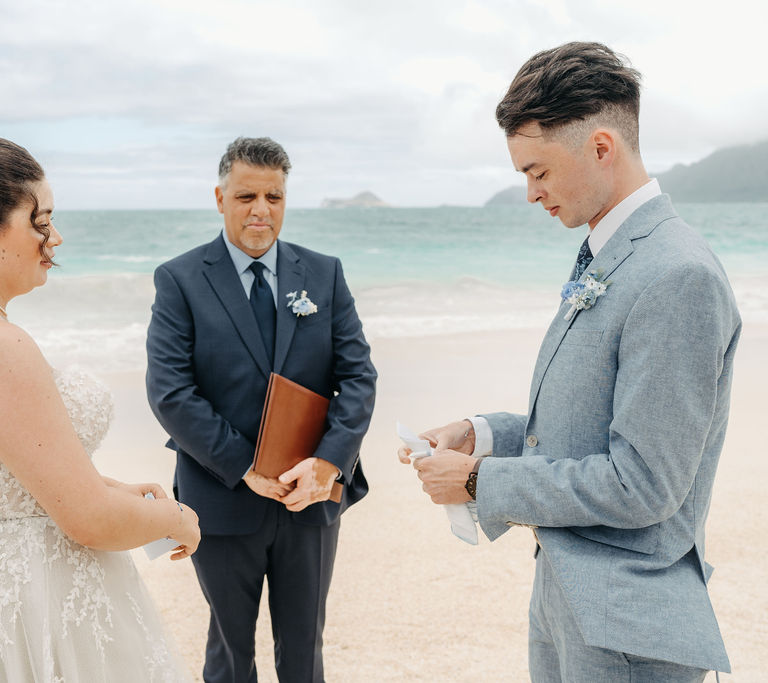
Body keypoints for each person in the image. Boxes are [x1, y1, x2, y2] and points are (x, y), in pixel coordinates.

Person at [403, 42, 739, 681]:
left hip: (629, 629)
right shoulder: (611, 251)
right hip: (568, 599)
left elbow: (642, 483)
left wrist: (480, 481)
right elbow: (595, 419)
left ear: (602, 148)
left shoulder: (678, 275)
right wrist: (486, 434)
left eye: (539, 171)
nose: (531, 193)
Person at [0, 119, 198, 682]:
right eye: (39, 221)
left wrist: (111, 486)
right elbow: (89, 522)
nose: (56, 238)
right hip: (36, 593)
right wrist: (174, 518)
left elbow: (1, 472)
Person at [145, 137, 376, 682]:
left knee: (304, 651)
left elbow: (358, 377)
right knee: (231, 654)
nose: (261, 210)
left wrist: (327, 463)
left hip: (310, 501)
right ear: (220, 197)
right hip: (221, 497)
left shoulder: (324, 274)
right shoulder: (179, 279)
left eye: (274, 196)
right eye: (247, 195)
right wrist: (246, 467)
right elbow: (170, 392)